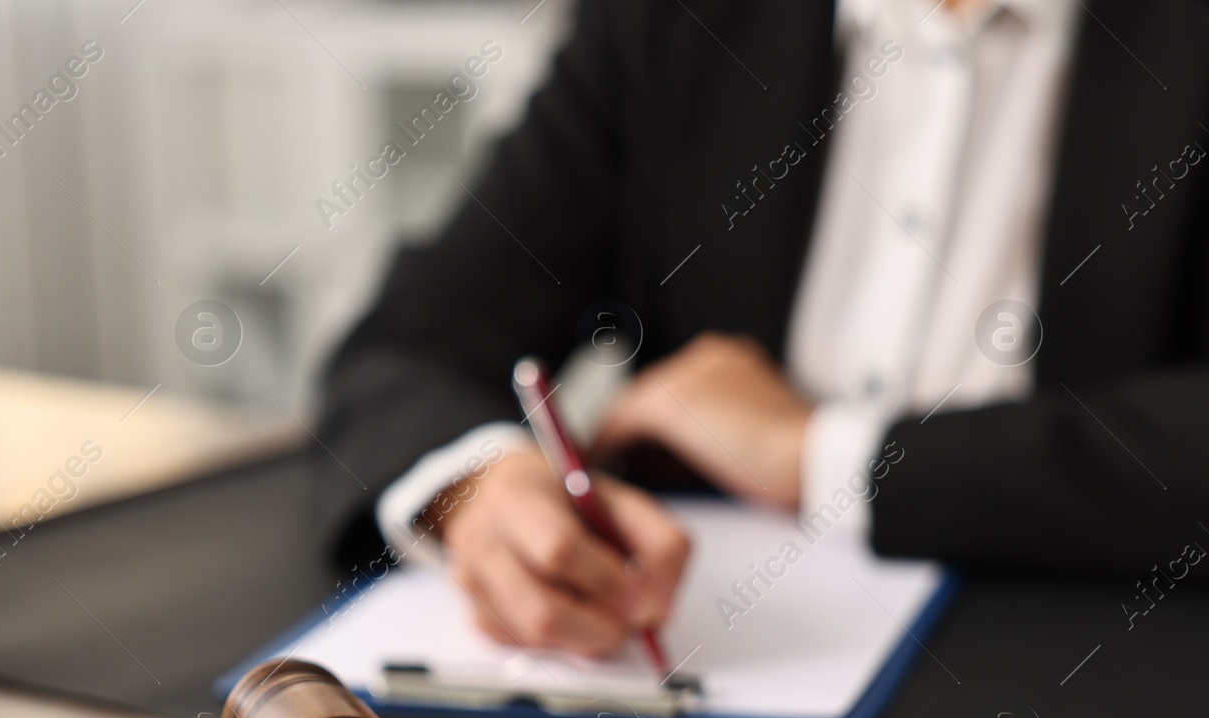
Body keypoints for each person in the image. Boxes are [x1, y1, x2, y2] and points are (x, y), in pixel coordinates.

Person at [315, 0, 1209, 658]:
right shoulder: (664, 27)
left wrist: (828, 455)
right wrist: (482, 490)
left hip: (1108, 708)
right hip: (703, 701)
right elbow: (413, 337)